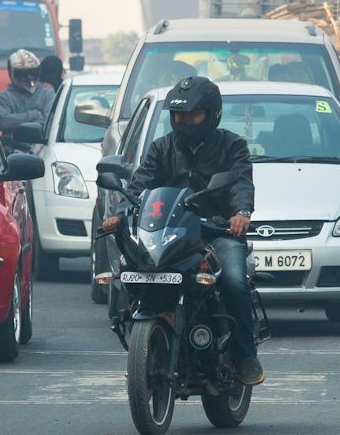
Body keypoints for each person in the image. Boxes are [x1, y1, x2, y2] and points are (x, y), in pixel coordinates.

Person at [101, 76, 261, 385]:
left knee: (233, 280)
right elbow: (139, 185)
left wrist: (241, 213)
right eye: (177, 115)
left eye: (191, 114)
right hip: (171, 233)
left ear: (212, 114)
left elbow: (241, 182)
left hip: (216, 231)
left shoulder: (232, 146)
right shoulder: (162, 148)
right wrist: (119, 215)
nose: (182, 121)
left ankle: (245, 356)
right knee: (130, 269)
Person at [0, 50, 48, 142]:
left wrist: (16, 119)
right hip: (12, 144)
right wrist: (34, 114)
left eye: (32, 73)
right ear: (12, 74)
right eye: (23, 74)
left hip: (40, 143)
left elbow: (48, 121)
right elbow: (4, 122)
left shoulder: (46, 93)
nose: (29, 78)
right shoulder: (5, 96)